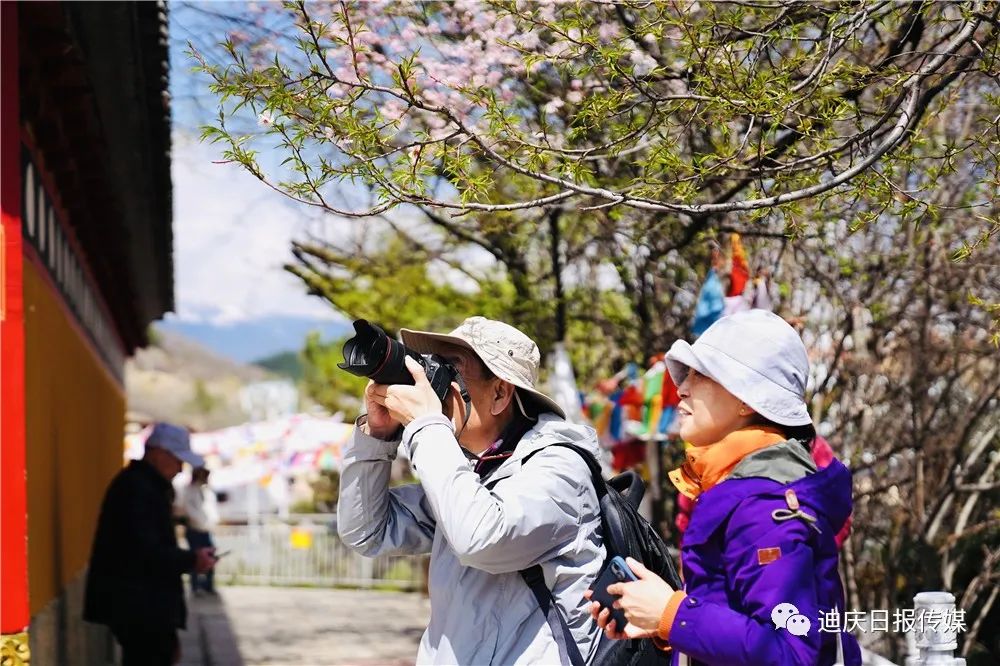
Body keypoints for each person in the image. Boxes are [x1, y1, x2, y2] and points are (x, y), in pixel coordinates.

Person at [588, 310, 862, 666]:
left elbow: (791, 652)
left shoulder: (765, 506)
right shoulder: (746, 491)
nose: (681, 388)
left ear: (747, 399)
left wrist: (672, 613)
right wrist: (663, 625)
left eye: (700, 375)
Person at [338, 316, 605, 664]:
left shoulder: (560, 470)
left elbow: (481, 538)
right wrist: (378, 436)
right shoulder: (470, 472)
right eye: (436, 366)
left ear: (500, 393)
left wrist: (426, 425)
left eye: (452, 368)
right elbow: (367, 532)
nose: (437, 382)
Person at [84, 423, 216, 666]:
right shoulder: (138, 489)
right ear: (157, 453)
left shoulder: (144, 486)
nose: (179, 469)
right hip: (140, 606)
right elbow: (143, 551)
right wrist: (191, 560)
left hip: (144, 605)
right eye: (177, 460)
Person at [179, 466, 220, 595]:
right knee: (196, 557)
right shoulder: (189, 490)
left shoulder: (206, 491)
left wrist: (211, 522)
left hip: (205, 530)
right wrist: (201, 521)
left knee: (210, 557)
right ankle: (195, 586)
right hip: (194, 529)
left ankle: (208, 585)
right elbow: (188, 510)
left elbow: (211, 510)